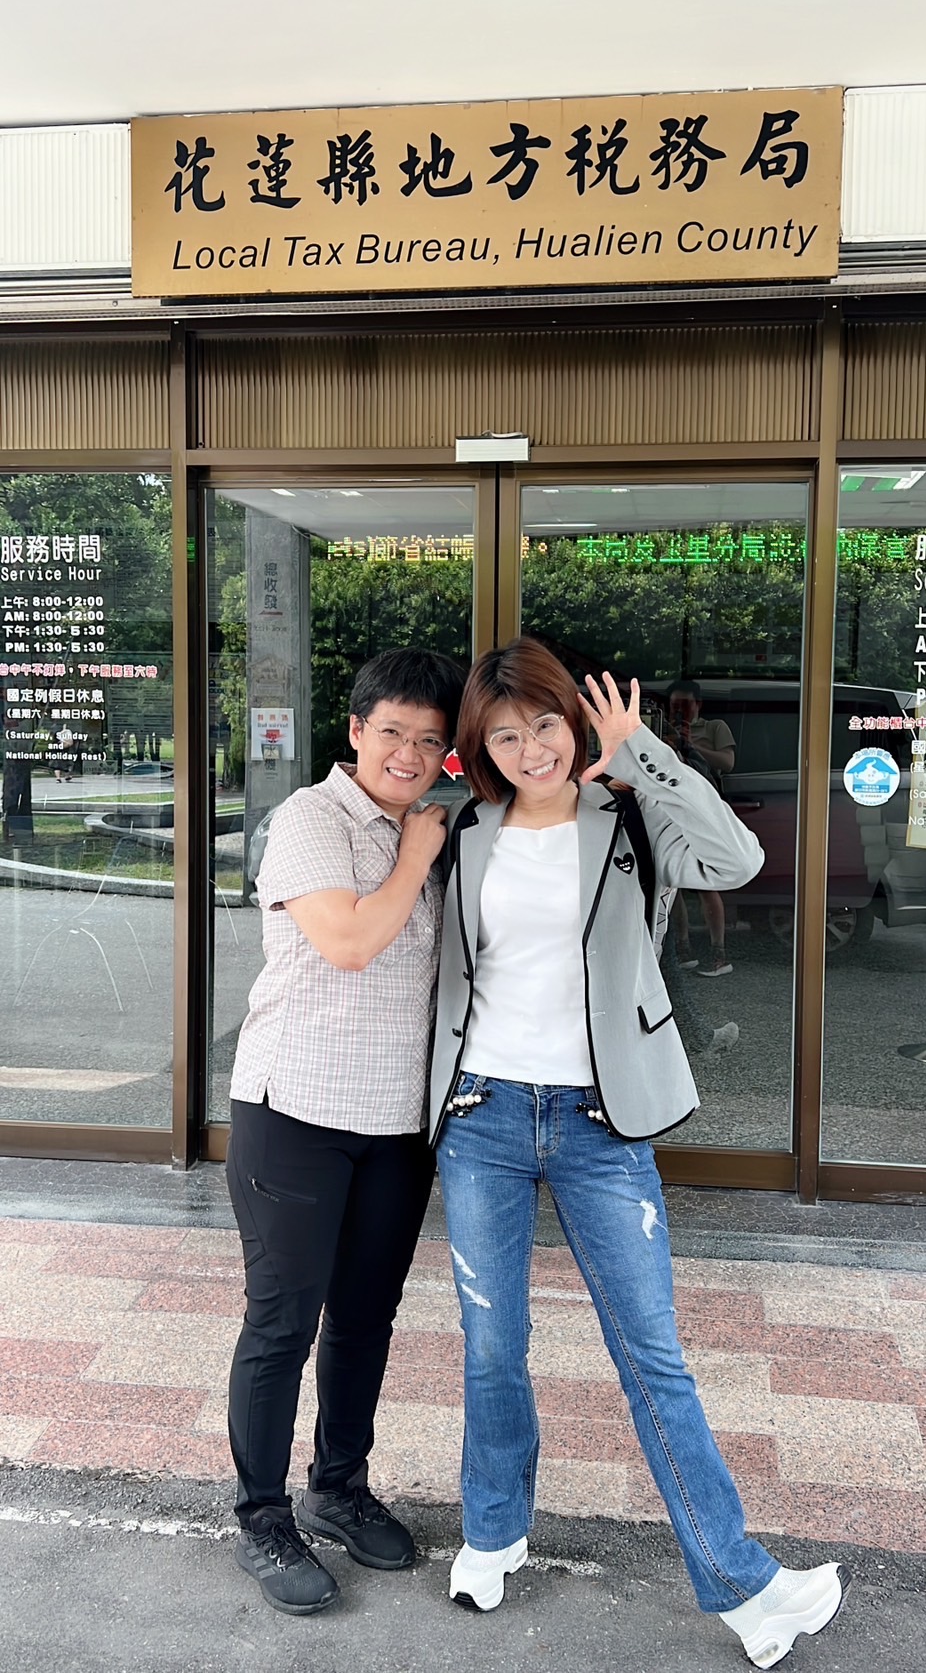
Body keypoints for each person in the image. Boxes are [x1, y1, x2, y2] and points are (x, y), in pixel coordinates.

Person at [430, 638, 848, 1667]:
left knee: (652, 1357)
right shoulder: (463, 830)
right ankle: (492, 1533)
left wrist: (643, 749)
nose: (531, 749)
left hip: (600, 1121)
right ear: (482, 747)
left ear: (576, 723)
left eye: (546, 724)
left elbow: (739, 861)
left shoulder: (627, 814)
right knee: (491, 1346)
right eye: (505, 735)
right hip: (482, 1114)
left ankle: (746, 1589)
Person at [226, 647, 464, 1616]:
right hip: (293, 1113)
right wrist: (415, 855)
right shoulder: (310, 820)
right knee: (283, 1322)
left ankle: (338, 1486)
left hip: (395, 1126)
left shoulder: (437, 827)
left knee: (365, 1316)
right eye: (393, 732)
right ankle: (260, 1516)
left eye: (430, 740)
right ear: (357, 730)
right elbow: (352, 942)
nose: (409, 754)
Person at [666, 679, 737, 976]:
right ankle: (683, 949)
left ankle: (719, 954)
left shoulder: (714, 727)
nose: (680, 710)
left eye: (685, 704)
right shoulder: (662, 729)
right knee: (673, 884)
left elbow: (728, 763)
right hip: (672, 809)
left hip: (705, 811)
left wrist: (691, 745)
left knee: (706, 883)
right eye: (675, 705)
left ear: (698, 704)